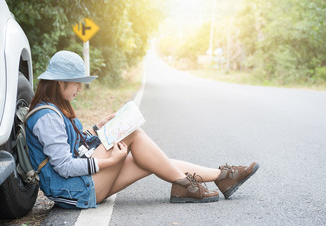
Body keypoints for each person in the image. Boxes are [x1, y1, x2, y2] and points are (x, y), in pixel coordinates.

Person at [26, 50, 259, 209]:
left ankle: (222, 177)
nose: (79, 87)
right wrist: (109, 162)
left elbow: (74, 146)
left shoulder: (56, 109)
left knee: (151, 161)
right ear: (59, 82)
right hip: (76, 191)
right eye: (76, 82)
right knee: (134, 135)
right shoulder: (47, 117)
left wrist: (97, 129)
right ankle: (188, 185)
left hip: (82, 187)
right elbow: (65, 166)